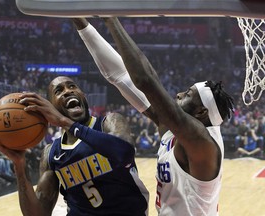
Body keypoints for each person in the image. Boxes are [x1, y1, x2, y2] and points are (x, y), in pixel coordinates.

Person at [72, 17, 234, 215]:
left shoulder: (202, 142)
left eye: (188, 94)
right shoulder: (174, 129)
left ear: (201, 112)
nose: (179, 95)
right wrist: (82, 23)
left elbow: (145, 80)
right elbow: (121, 77)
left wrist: (111, 19)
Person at [0, 76, 149, 216]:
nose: (67, 91)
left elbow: (124, 152)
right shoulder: (51, 153)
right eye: (59, 91)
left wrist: (65, 122)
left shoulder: (109, 122)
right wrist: (19, 165)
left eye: (72, 86)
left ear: (83, 96)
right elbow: (38, 214)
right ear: (50, 107)